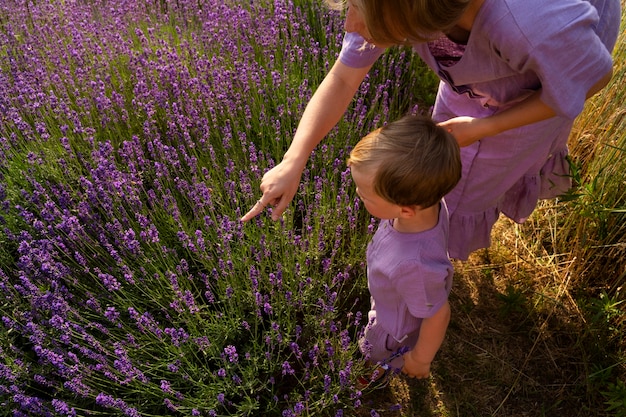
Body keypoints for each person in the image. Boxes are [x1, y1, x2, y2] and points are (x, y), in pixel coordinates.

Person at [240, 0, 621, 261]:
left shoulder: (530, 25)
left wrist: (488, 126)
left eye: (356, 9)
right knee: (440, 175)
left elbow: (587, 80)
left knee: (467, 193)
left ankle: (432, 264)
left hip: (535, 96)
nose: (350, 24)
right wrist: (294, 159)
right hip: (473, 82)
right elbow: (342, 79)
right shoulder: (405, 7)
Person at [346, 114, 461, 382]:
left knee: (377, 355)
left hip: (391, 327)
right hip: (394, 296)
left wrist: (420, 358)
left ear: (406, 210)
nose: (357, 195)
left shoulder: (413, 266)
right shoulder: (429, 205)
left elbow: (438, 314)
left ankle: (370, 377)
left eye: (364, 194)